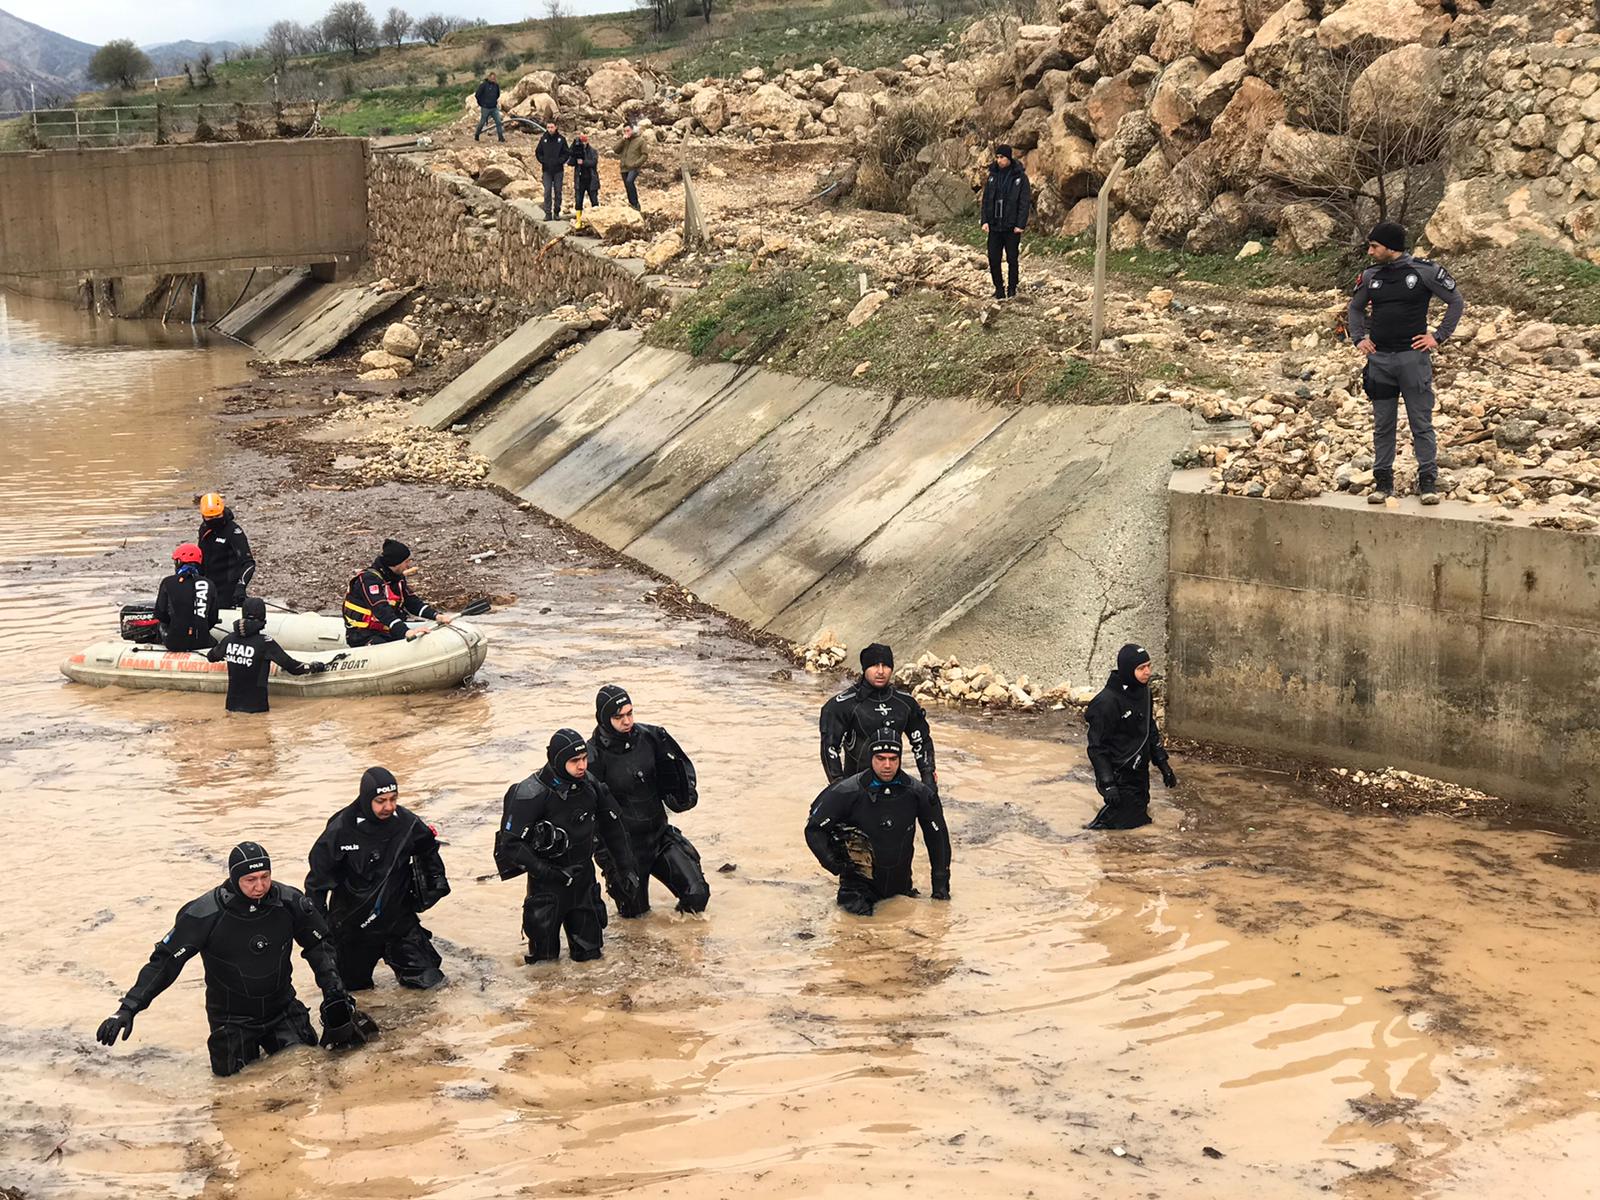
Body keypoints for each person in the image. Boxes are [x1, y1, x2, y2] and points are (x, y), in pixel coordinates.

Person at [94, 841, 376, 1077]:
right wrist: (128, 1008)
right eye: (250, 879)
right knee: (233, 1090)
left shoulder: (289, 903)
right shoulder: (204, 914)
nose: (260, 886)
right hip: (232, 1020)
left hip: (282, 1010)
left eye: (265, 876)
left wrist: (334, 993)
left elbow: (319, 945)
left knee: (305, 1072)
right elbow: (166, 962)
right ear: (233, 877)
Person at [493, 729, 640, 964]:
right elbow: (511, 845)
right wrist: (551, 873)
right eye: (575, 761)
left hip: (583, 883)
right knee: (544, 966)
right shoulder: (531, 793)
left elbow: (613, 830)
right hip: (547, 888)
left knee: (591, 960)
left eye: (584, 759)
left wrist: (626, 869)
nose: (582, 766)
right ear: (558, 760)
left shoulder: (590, 785)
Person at [1347, 221, 1464, 505]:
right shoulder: (1370, 275)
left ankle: (1427, 482)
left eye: (1375, 246)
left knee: (1420, 423)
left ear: (1390, 247)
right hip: (1380, 361)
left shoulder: (1424, 272)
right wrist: (1359, 338)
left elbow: (1456, 301)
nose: (1370, 251)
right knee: (1383, 424)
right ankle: (1383, 482)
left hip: (1413, 360)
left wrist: (1438, 336)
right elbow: (1355, 307)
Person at [306, 767, 450, 992]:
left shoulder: (407, 823)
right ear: (366, 798)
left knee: (433, 987)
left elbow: (428, 848)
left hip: (399, 923)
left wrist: (433, 885)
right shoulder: (340, 829)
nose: (389, 807)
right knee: (355, 994)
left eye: (393, 799)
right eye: (381, 800)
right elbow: (316, 885)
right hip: (354, 928)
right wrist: (321, 930)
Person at [586, 685, 707, 919]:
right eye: (618, 716)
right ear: (603, 718)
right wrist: (608, 861)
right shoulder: (592, 758)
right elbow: (588, 816)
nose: (627, 721)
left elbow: (681, 775)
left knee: (697, 894)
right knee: (635, 920)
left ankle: (685, 943)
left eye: (630, 713)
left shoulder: (652, 737)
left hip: (659, 836)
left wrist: (683, 795)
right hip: (624, 851)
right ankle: (645, 954)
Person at [805, 730, 951, 916]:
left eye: (893, 758)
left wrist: (940, 888)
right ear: (870, 757)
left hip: (901, 888)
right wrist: (833, 864)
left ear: (899, 758)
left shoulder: (918, 793)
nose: (887, 765)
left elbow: (938, 837)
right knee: (860, 936)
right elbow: (814, 829)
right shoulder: (846, 792)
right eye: (880, 758)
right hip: (857, 890)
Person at [1083, 643, 1177, 830]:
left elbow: (1149, 730)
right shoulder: (1106, 702)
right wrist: (1108, 783)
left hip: (1139, 772)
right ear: (1127, 670)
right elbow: (1096, 748)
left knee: (1140, 817)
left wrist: (1163, 764)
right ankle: (1084, 839)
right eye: (1141, 668)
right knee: (1119, 824)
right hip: (1119, 774)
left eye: (1149, 666)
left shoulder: (1144, 693)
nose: (1148, 672)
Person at [819, 643, 937, 791]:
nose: (881, 671)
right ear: (864, 668)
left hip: (894, 788)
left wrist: (928, 779)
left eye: (886, 666)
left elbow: (922, 742)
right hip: (856, 788)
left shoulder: (905, 704)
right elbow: (829, 747)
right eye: (874, 665)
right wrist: (838, 786)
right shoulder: (841, 705)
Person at [206, 597, 328, 714]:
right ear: (263, 617)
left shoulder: (229, 639)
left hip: (231, 707)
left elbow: (211, 656)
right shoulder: (265, 643)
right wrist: (313, 667)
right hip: (257, 709)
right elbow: (293, 667)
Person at [343, 538, 451, 647]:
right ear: (396, 563)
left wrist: (437, 616)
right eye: (406, 561)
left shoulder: (397, 578)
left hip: (388, 630)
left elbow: (412, 602)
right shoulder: (369, 580)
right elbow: (381, 610)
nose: (408, 565)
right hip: (363, 633)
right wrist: (405, 632)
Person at [980, 144, 1031, 301]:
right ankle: (999, 289)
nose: (999, 160)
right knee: (993, 258)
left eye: (1002, 157)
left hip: (1011, 226)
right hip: (995, 225)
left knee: (1012, 259)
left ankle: (1012, 289)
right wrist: (985, 220)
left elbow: (1024, 202)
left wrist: (1020, 224)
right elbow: (986, 199)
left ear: (1009, 158)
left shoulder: (1020, 178)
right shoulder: (992, 176)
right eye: (997, 157)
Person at [154, 542, 218, 652]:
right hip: (203, 642)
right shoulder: (210, 584)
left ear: (179, 562)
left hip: (174, 643)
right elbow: (213, 618)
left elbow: (160, 614)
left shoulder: (168, 582)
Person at [196, 492, 255, 608]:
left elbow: (248, 563)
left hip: (228, 591)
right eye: (209, 517)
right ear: (203, 516)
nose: (213, 520)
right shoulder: (204, 529)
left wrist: (241, 586)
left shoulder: (234, 532)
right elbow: (201, 558)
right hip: (207, 588)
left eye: (217, 516)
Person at [536, 121, 570, 220]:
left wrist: (560, 161)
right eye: (548, 127)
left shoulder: (561, 139)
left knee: (558, 191)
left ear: (556, 127)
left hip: (558, 170)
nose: (550, 129)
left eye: (552, 127)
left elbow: (566, 153)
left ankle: (556, 212)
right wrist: (543, 161)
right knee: (547, 192)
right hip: (547, 170)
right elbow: (538, 152)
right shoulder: (543, 139)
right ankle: (548, 213)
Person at [617, 123, 648, 212]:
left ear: (632, 130)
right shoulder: (624, 141)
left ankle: (635, 204)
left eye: (628, 130)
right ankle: (632, 204)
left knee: (629, 182)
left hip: (634, 167)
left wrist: (637, 164)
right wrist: (622, 140)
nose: (626, 132)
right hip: (624, 167)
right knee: (627, 186)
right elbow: (615, 150)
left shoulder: (640, 141)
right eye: (625, 131)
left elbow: (645, 155)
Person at [569, 133, 600, 222]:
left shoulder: (593, 151)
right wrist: (573, 149)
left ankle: (597, 219)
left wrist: (583, 162)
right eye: (582, 141)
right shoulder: (576, 150)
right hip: (580, 180)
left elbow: (593, 163)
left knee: (594, 201)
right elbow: (570, 162)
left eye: (584, 141)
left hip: (591, 179)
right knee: (578, 202)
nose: (583, 143)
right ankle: (579, 220)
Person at [473, 72, 504, 142]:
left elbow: (497, 95)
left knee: (499, 122)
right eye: (492, 78)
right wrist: (481, 103)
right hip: (485, 108)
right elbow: (477, 95)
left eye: (494, 78)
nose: (493, 79)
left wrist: (494, 101)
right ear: (489, 77)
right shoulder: (483, 85)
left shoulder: (496, 86)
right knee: (482, 122)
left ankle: (501, 138)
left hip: (494, 107)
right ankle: (477, 134)